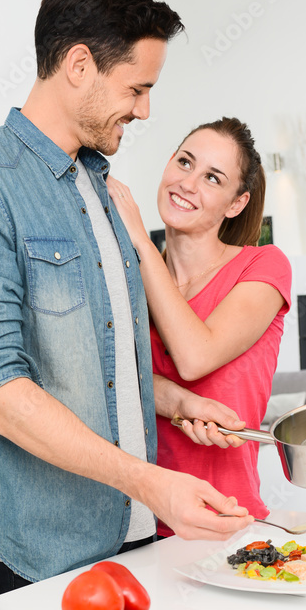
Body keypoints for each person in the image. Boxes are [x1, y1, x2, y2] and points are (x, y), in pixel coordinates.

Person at [0, 0, 253, 599]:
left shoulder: (102, 188)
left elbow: (96, 363)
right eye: (137, 87)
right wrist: (149, 482)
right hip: (40, 549)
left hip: (131, 532)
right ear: (78, 66)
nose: (145, 110)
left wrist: (178, 404)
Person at [107, 117, 292, 535]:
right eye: (185, 162)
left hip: (226, 523)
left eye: (212, 177)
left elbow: (195, 357)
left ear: (235, 204)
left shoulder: (263, 266)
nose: (188, 183)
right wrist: (174, 401)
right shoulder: (127, 275)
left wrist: (138, 234)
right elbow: (111, 380)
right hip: (136, 527)